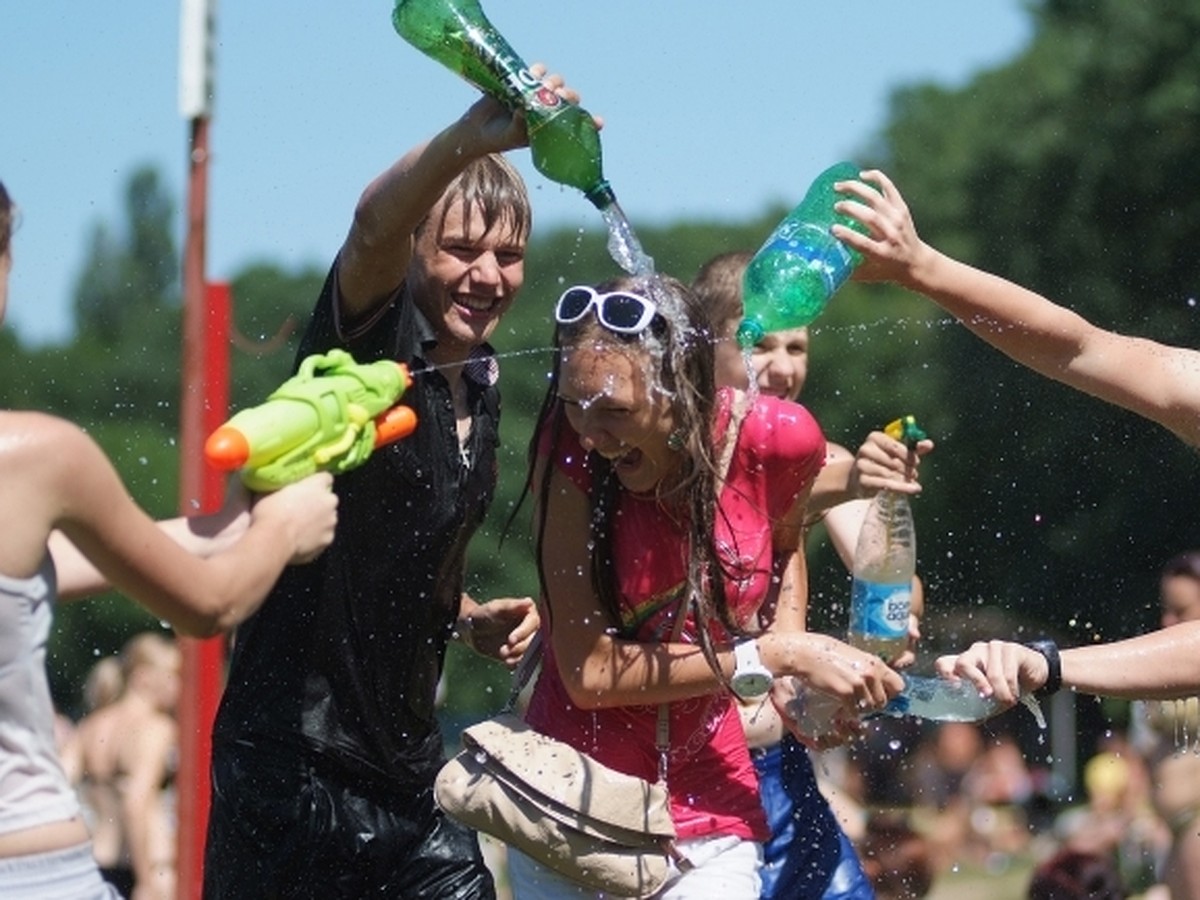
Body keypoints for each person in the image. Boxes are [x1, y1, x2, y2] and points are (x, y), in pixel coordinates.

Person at [201, 70, 571, 897]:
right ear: (414, 254)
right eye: (460, 249)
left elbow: (388, 552)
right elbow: (372, 222)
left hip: (406, 776)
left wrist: (467, 616)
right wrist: (470, 139)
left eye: (508, 255)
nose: (488, 275)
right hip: (292, 769)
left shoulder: (481, 379)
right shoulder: (366, 349)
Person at [511, 273, 904, 897]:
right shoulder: (568, 451)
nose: (591, 433)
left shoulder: (779, 438)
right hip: (577, 806)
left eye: (614, 411)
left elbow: (784, 551)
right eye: (573, 402)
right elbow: (589, 676)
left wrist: (794, 684)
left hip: (715, 804)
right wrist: (774, 656)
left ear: (681, 388)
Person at [0, 178, 338, 898]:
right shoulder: (32, 456)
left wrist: (228, 525)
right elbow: (209, 607)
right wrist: (284, 527)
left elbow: (50, 565)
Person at [693, 250, 930, 900]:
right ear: (699, 343)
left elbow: (895, 586)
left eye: (797, 346)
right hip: (684, 775)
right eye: (759, 342)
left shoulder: (820, 457)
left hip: (777, 765)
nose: (783, 365)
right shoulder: (665, 459)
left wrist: (883, 629)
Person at [71, 633, 181, 899]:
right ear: (143, 677)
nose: (179, 686)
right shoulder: (156, 728)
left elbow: (55, 786)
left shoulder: (92, 725)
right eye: (174, 675)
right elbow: (136, 802)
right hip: (148, 866)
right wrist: (145, 882)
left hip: (96, 862)